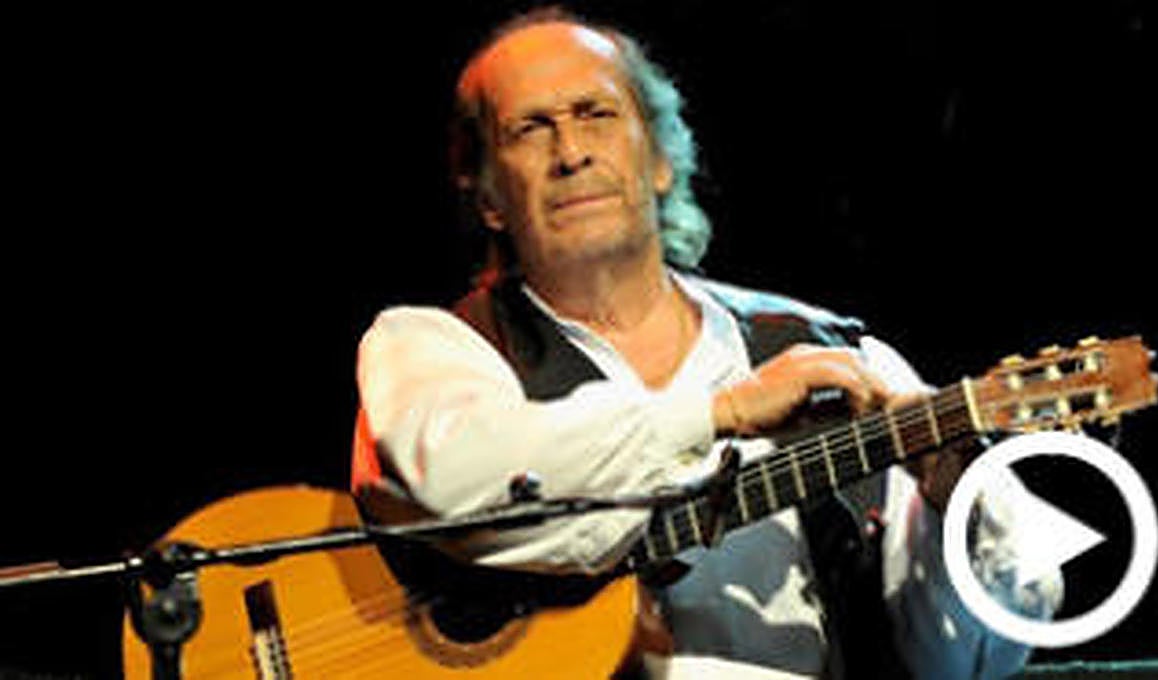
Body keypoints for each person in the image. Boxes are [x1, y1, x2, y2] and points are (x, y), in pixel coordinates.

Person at [352, 9, 1061, 679]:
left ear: (660, 159)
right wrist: (720, 412)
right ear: (486, 197)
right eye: (530, 129)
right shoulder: (435, 349)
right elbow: (461, 485)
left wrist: (956, 501)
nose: (571, 153)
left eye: (597, 114)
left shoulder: (841, 359)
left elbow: (971, 663)